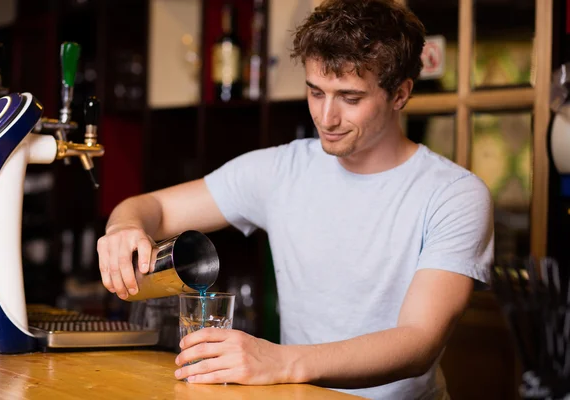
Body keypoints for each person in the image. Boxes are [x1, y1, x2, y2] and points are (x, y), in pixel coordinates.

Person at [96, 0, 494, 398]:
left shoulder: (453, 194)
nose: (327, 116)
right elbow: (155, 208)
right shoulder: (280, 170)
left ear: (400, 94)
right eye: (315, 91)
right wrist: (124, 227)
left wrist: (281, 362)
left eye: (350, 98)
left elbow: (418, 342)